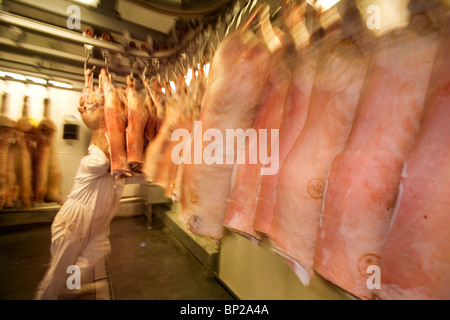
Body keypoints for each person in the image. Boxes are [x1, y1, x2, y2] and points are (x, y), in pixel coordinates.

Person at [35, 75, 142, 299]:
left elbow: (137, 175)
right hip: (74, 220)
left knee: (98, 251)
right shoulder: (91, 163)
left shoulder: (115, 167)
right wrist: (99, 127)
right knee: (58, 272)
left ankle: (72, 287)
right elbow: (103, 161)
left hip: (99, 223)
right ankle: (47, 296)